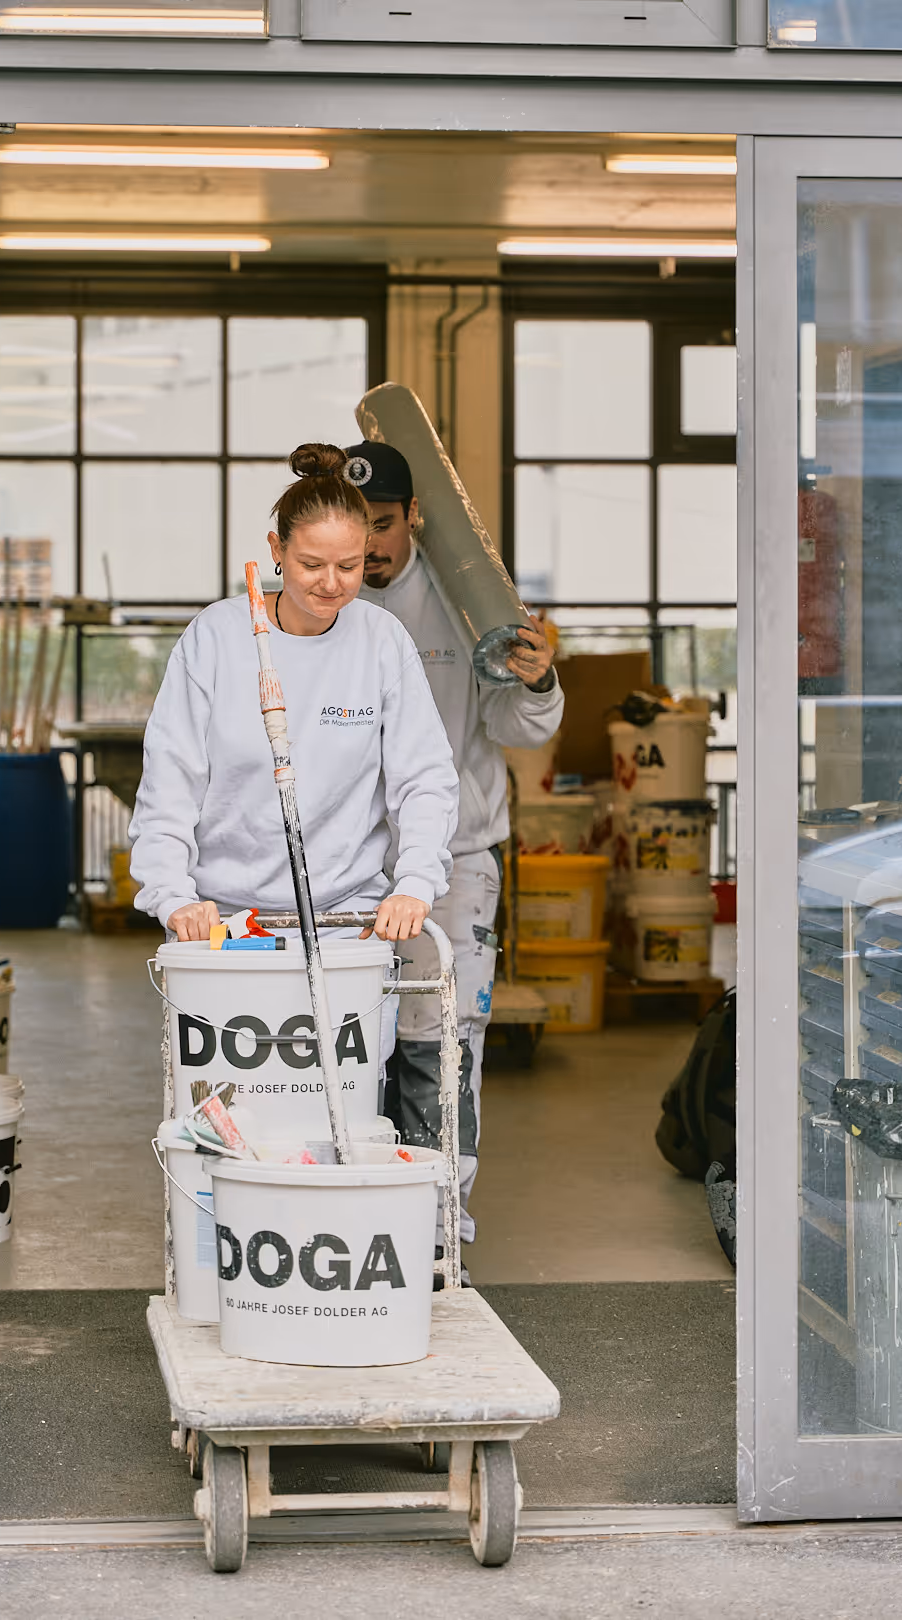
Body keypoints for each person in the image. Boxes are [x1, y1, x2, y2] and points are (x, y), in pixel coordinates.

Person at [129, 443, 459, 980]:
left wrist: (415, 884)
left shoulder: (381, 643)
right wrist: (172, 896)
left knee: (350, 1069)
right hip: (224, 924)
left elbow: (425, 779)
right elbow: (170, 785)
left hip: (348, 921)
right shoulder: (215, 638)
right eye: (311, 564)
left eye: (348, 566)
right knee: (228, 1069)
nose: (331, 583)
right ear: (276, 550)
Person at [350, 439, 564, 1252]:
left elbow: (514, 725)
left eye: (383, 525)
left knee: (439, 1048)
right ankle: (362, 1214)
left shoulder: (464, 604)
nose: (369, 547)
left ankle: (439, 1230)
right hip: (349, 873)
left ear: (413, 518)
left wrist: (538, 679)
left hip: (455, 865)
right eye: (355, 525)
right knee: (352, 1048)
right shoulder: (322, 606)